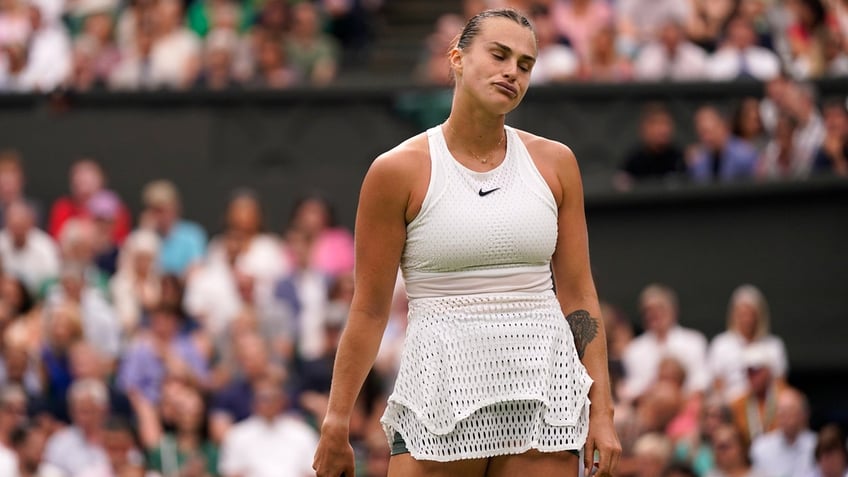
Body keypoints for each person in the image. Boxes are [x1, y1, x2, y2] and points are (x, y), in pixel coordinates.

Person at [312, 8, 620, 477]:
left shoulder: (557, 164)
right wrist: (336, 421)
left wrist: (602, 411)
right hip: (439, 389)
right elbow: (369, 310)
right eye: (499, 55)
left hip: (543, 391)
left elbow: (579, 296)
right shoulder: (395, 170)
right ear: (456, 58)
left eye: (525, 64)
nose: (512, 71)